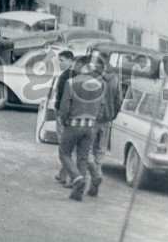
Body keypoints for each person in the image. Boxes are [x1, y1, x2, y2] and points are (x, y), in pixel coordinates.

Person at [58, 59, 106, 201]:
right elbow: (102, 106)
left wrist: (64, 119)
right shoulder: (99, 85)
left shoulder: (71, 83)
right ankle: (79, 191)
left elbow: (65, 105)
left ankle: (77, 179)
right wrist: (94, 119)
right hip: (90, 125)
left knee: (64, 153)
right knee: (83, 157)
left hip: (73, 124)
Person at [88, 52, 123, 197]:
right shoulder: (115, 78)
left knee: (85, 151)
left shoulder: (92, 76)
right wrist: (112, 115)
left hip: (91, 119)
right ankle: (93, 186)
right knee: (99, 153)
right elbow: (119, 100)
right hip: (107, 120)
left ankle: (95, 175)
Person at [50, 49, 76, 185]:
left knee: (64, 146)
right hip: (74, 114)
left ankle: (69, 175)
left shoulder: (66, 75)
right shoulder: (78, 74)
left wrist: (61, 114)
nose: (59, 63)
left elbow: (62, 98)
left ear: (70, 61)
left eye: (62, 60)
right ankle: (63, 174)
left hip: (63, 113)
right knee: (69, 146)